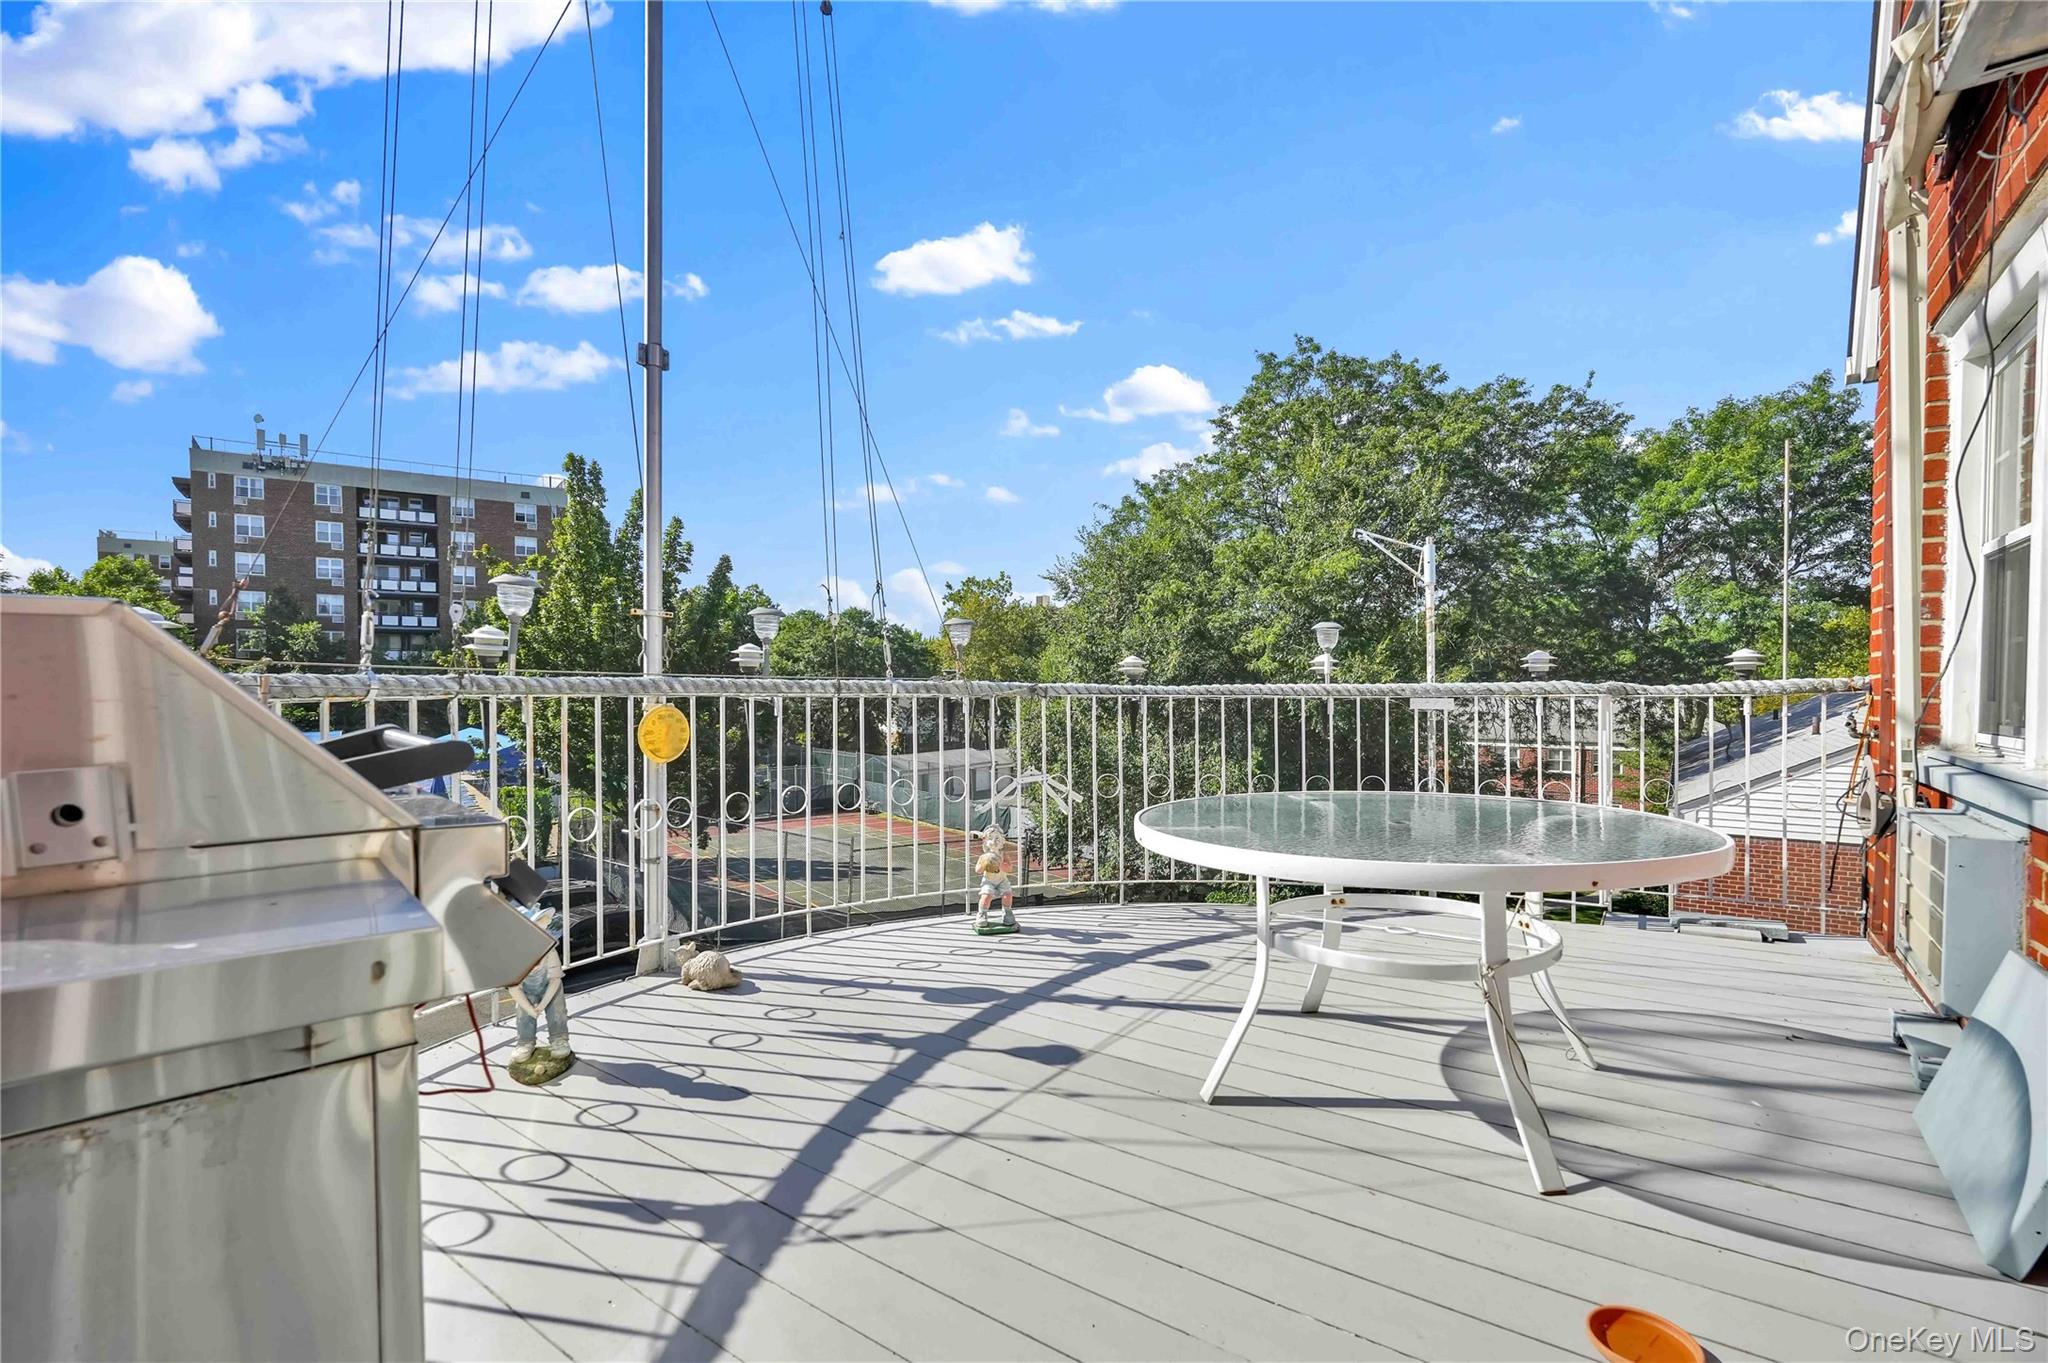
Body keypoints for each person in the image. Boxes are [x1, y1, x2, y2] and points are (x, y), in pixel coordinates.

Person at [971, 825, 1018, 935]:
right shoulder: (984, 856)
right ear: (986, 841)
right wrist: (984, 864)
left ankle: (1007, 912)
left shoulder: (1003, 855)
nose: (994, 841)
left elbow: (1010, 868)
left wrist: (1001, 864)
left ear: (1002, 840)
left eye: (997, 838)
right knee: (986, 896)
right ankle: (982, 914)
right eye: (991, 838)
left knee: (1008, 894)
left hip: (1002, 880)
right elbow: (978, 870)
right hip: (989, 880)